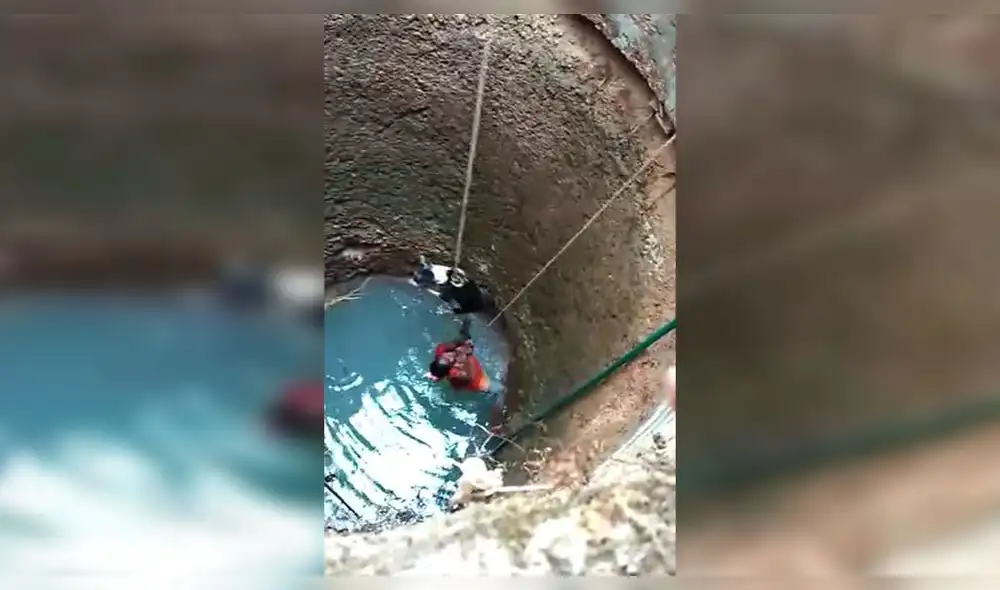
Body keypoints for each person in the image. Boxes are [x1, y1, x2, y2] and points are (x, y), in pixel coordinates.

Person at [428, 318, 507, 433]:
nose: (450, 356)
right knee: (501, 390)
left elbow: (455, 343)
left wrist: (462, 343)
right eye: (449, 360)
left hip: (469, 362)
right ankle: (495, 423)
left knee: (464, 336)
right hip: (477, 379)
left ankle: (467, 319)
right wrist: (466, 354)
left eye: (445, 356)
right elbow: (469, 376)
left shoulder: (441, 350)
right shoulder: (455, 375)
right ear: (450, 368)